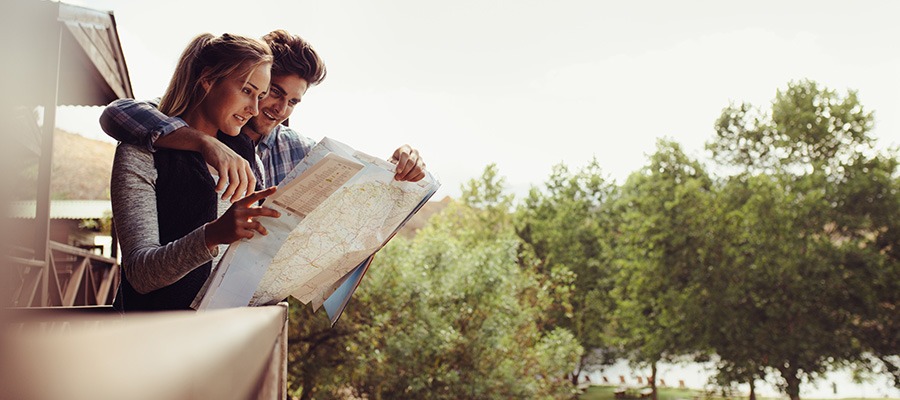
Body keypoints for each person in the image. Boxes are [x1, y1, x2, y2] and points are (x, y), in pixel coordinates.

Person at [100, 29, 426, 202]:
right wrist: (202, 142)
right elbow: (118, 113)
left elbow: (355, 183)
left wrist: (398, 163)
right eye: (274, 92)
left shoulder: (296, 149)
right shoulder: (193, 120)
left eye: (293, 102)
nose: (278, 110)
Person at [111, 33, 280, 311]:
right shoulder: (141, 154)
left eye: (260, 96)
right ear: (208, 79)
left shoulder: (248, 162)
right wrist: (211, 235)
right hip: (155, 331)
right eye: (247, 91)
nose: (254, 109)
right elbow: (140, 274)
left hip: (227, 330)